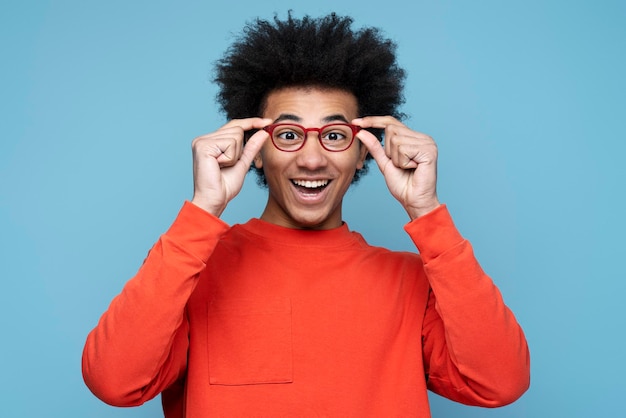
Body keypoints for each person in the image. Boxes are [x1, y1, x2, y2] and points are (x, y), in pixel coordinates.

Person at [82, 13, 530, 417]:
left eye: (335, 135)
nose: (312, 159)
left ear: (362, 153)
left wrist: (427, 212)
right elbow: (115, 382)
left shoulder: (413, 281)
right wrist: (203, 210)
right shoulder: (190, 268)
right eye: (288, 134)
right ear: (253, 151)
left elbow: (500, 383)